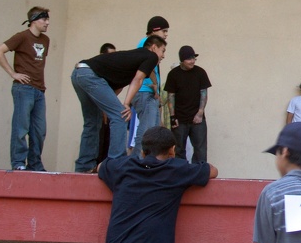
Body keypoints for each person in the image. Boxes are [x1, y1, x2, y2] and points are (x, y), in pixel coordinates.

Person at [72, 35, 167, 173]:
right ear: (153, 47)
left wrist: (108, 107)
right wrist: (126, 104)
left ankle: (83, 167)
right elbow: (138, 80)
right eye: (163, 50)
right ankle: (116, 165)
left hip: (79, 73)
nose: (163, 55)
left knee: (92, 122)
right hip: (90, 76)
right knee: (121, 115)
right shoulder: (150, 56)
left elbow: (118, 88)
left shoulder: (133, 59)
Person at [0, 6, 51, 171]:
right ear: (34, 20)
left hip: (39, 90)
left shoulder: (45, 40)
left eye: (48, 19)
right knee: (21, 127)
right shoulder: (22, 36)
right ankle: (18, 162)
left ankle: (35, 164)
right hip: (23, 89)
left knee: (39, 130)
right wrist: (13, 73)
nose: (47, 23)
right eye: (44, 19)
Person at [131, 16, 170, 157]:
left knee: (152, 133)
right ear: (154, 30)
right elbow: (148, 65)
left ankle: (148, 162)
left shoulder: (150, 44)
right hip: (144, 91)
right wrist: (154, 85)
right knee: (146, 131)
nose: (166, 34)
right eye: (164, 31)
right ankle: (137, 161)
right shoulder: (146, 43)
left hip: (150, 93)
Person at [165, 45, 211, 163]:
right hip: (179, 119)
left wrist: (200, 113)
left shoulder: (200, 72)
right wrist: (172, 117)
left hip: (197, 118)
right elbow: (171, 96)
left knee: (200, 151)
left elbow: (204, 94)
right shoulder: (173, 74)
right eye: (189, 59)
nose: (192, 61)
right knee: (179, 150)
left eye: (194, 58)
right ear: (182, 60)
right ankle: (181, 172)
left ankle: (199, 171)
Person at [96, 43, 118, 164]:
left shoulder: (112, 72)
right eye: (110, 55)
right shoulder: (96, 71)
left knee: (107, 142)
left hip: (108, 113)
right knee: (98, 142)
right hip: (98, 111)